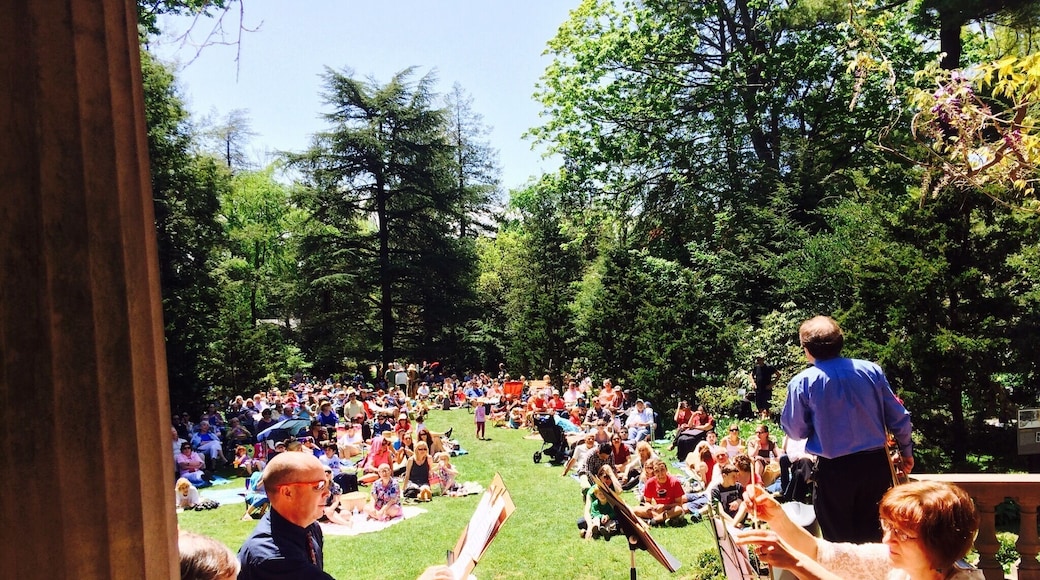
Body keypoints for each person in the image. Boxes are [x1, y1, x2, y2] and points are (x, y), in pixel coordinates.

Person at [782, 315, 914, 543]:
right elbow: (899, 418)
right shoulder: (871, 371)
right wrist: (906, 452)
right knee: (877, 541)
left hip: (834, 473)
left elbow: (795, 431)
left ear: (807, 349)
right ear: (840, 342)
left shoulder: (802, 383)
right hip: (875, 467)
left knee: (839, 548)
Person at [736, 480, 982, 580]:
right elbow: (820, 552)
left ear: (941, 542)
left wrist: (795, 563)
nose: (888, 539)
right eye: (888, 527)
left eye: (903, 533)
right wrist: (777, 516)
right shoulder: (898, 565)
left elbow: (808, 559)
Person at [237, 452, 335, 580]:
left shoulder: (310, 527)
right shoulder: (272, 557)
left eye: (327, 484)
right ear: (287, 492)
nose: (327, 493)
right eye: (319, 486)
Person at [632, 457, 685, 526]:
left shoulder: (675, 482)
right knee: (635, 509)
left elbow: (679, 504)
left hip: (671, 510)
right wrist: (649, 507)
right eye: (657, 471)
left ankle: (652, 521)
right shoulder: (650, 483)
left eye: (662, 470)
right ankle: (661, 520)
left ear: (666, 470)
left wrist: (664, 507)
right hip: (657, 511)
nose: (660, 474)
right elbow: (647, 502)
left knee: (678, 510)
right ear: (654, 473)